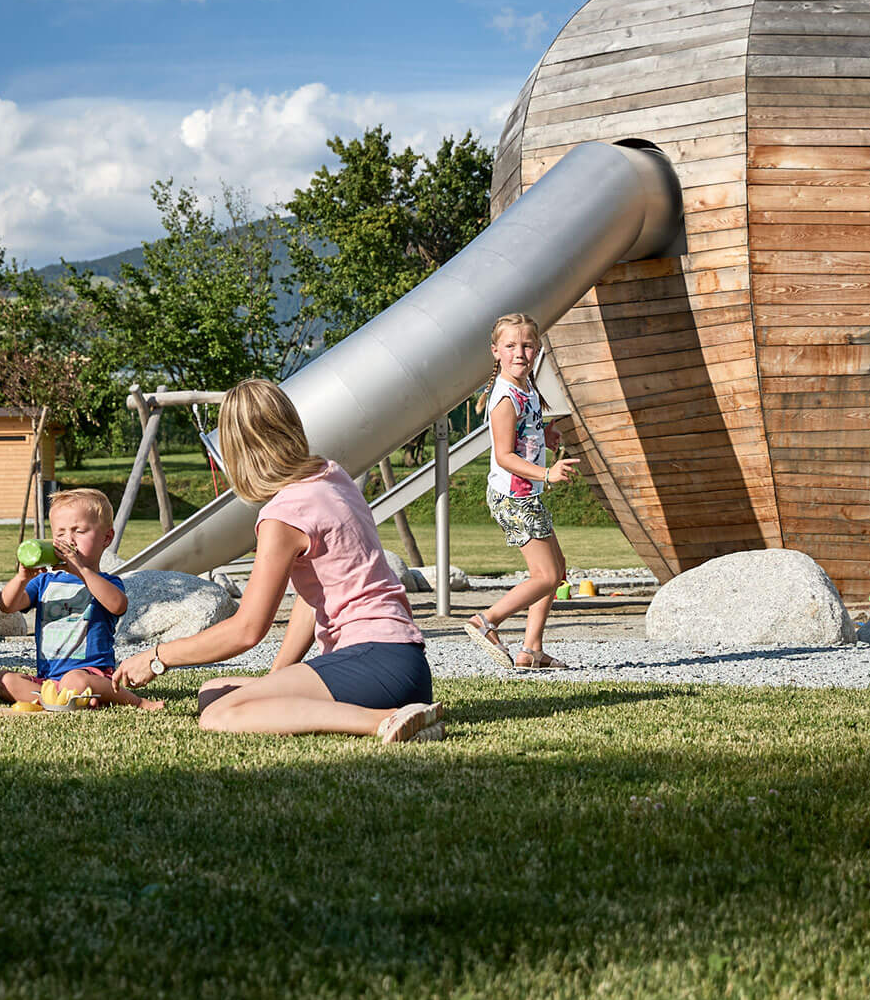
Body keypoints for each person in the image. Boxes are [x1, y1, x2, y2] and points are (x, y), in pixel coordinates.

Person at [112, 378, 444, 743]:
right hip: (404, 662)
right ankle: (394, 710)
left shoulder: (283, 515)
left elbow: (247, 629)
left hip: (372, 661)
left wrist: (158, 657)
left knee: (220, 714)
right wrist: (278, 677)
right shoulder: (331, 477)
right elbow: (310, 596)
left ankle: (386, 720)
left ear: (239, 449)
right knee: (213, 691)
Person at [462, 312, 581, 671]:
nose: (520, 353)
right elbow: (503, 455)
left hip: (524, 495)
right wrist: (546, 471)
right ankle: (486, 621)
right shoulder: (504, 397)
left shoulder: (525, 388)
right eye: (511, 346)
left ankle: (531, 651)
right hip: (514, 497)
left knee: (556, 571)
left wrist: (543, 436)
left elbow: (522, 434)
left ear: (538, 349)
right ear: (495, 351)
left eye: (527, 345)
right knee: (545, 576)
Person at [0, 488, 162, 712]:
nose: (68, 540)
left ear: (106, 538)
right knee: (3, 680)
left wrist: (81, 570)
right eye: (60, 534)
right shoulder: (45, 581)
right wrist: (22, 578)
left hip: (91, 674)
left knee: (75, 681)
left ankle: (137, 701)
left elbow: (118, 605)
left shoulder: (105, 582)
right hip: (51, 679)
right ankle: (63, 701)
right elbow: (6, 605)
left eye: (78, 531)